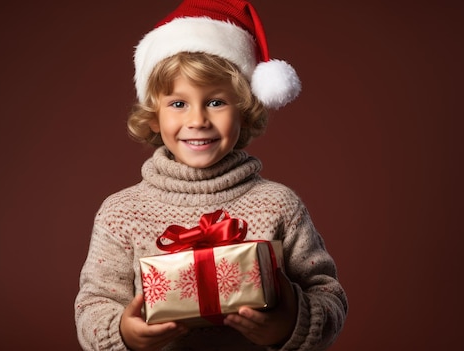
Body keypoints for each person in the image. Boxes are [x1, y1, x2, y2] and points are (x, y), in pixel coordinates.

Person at [74, 0, 348, 350]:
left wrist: (289, 323)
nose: (198, 120)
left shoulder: (278, 205)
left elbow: (328, 296)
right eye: (178, 103)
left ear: (244, 111)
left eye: (216, 101)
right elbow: (92, 308)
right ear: (154, 116)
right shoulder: (121, 213)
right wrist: (125, 334)